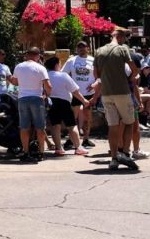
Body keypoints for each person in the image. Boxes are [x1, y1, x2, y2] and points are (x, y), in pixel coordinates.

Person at [94, 29, 141, 170]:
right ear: (120, 37)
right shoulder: (122, 49)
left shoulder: (99, 51)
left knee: (112, 126)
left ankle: (114, 158)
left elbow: (96, 74)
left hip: (106, 93)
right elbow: (134, 69)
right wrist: (132, 77)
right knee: (129, 122)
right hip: (122, 91)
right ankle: (125, 153)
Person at [9, 47, 51, 163]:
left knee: (24, 127)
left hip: (22, 98)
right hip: (37, 98)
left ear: (27, 55)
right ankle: (41, 153)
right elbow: (48, 85)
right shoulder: (40, 68)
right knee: (40, 127)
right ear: (37, 56)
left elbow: (15, 82)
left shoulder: (19, 66)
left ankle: (25, 151)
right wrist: (47, 95)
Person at [45, 56, 90, 156]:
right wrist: (84, 100)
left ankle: (58, 148)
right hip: (64, 102)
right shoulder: (63, 75)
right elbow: (75, 91)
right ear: (57, 64)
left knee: (55, 125)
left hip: (51, 102)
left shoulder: (45, 76)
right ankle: (78, 147)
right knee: (72, 125)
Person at [63, 41, 97, 148]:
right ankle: (70, 139)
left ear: (88, 48)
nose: (81, 49)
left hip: (89, 93)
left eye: (84, 47)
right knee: (73, 117)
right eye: (79, 47)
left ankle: (86, 138)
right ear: (77, 49)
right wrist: (69, 85)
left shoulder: (94, 60)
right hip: (75, 92)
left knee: (88, 117)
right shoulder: (71, 60)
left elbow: (100, 75)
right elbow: (63, 74)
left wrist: (94, 84)